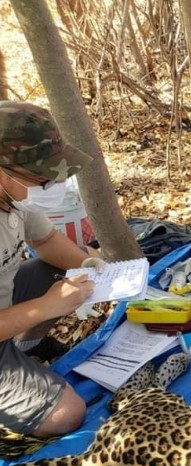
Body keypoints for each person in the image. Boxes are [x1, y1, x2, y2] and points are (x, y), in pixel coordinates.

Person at [0, 101, 106, 438]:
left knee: (55, 270)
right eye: (41, 176)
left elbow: (45, 241)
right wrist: (45, 307)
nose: (51, 184)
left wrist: (86, 262)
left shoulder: (13, 195)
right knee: (66, 414)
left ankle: (24, 351)